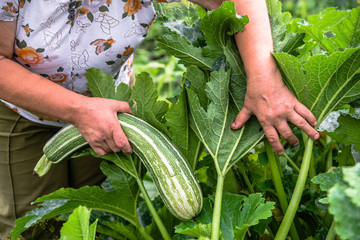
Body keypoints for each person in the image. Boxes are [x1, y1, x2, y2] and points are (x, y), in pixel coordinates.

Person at [0, 0, 319, 238]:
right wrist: (78, 111)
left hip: (111, 106)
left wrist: (264, 78)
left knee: (91, 222)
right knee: (33, 227)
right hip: (22, 113)